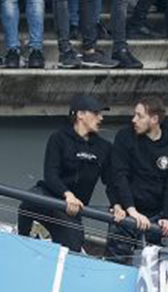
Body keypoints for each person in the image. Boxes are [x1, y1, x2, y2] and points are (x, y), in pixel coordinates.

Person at [16, 95, 111, 253]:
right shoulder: (58, 138)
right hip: (52, 195)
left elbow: (112, 181)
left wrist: (118, 205)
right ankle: (22, 243)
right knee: (30, 201)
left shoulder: (104, 147)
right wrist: (68, 195)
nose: (101, 118)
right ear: (80, 115)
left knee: (74, 243)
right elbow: (50, 174)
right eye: (96, 113)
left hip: (72, 210)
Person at [106, 97, 168, 262]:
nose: (133, 120)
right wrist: (131, 210)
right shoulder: (125, 136)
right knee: (116, 262)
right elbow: (119, 176)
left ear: (154, 119)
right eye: (134, 114)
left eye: (139, 116)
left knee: (152, 268)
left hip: (155, 216)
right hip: (127, 212)